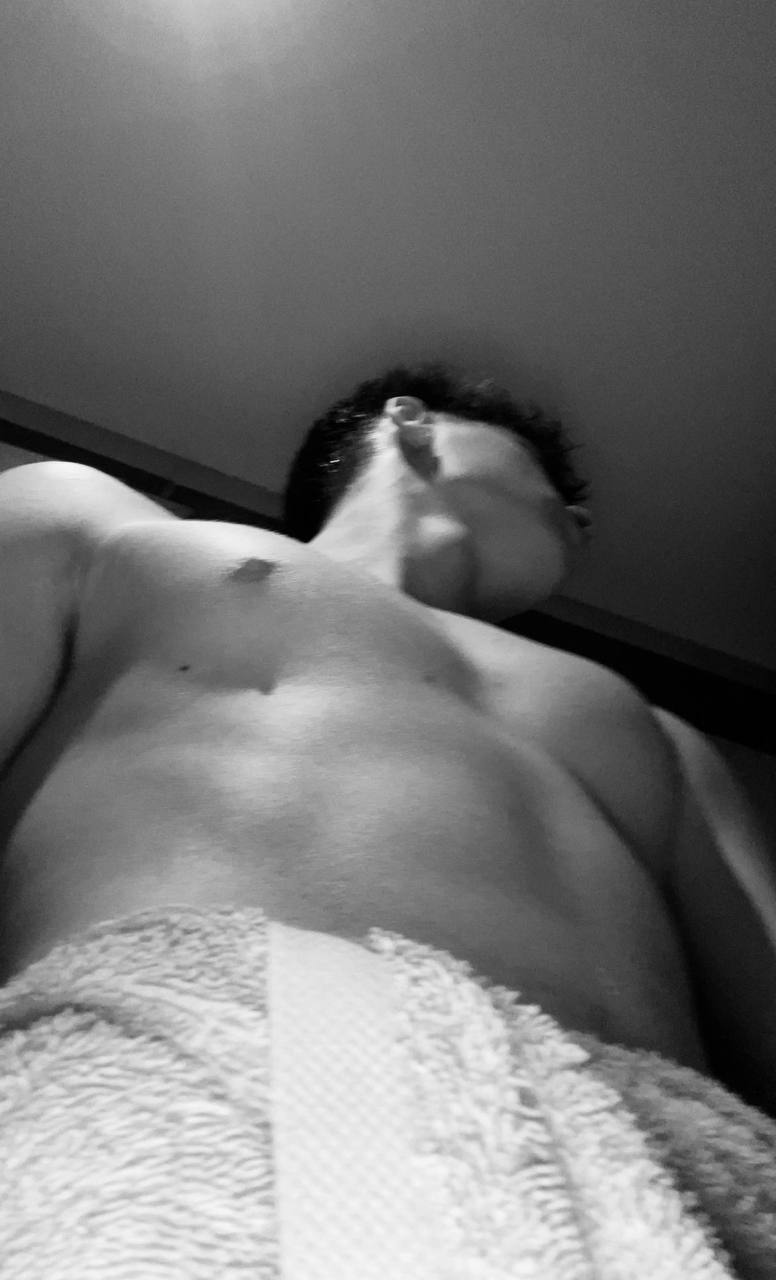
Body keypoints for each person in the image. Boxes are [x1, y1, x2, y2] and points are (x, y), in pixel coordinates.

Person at [1, 362, 776, 1277]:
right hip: (186, 1090)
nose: (581, 515)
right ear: (411, 421)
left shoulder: (653, 729)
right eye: (548, 474)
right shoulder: (103, 527)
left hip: (661, 1178)